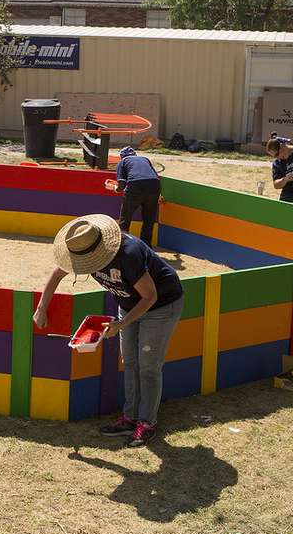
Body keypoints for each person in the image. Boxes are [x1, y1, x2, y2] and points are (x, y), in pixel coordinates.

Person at [34, 214, 184, 448]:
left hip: (160, 305)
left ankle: (147, 423)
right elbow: (57, 274)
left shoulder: (129, 253)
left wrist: (120, 325)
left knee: (148, 366)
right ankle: (130, 417)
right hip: (128, 306)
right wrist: (42, 308)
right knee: (130, 362)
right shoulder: (81, 249)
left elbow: (149, 296)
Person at [112, 146, 160, 246]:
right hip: (154, 186)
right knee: (149, 220)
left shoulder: (123, 162)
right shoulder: (145, 159)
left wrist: (114, 188)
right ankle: (146, 247)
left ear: (122, 156)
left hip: (135, 186)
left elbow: (121, 186)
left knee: (125, 218)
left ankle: (123, 246)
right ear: (135, 154)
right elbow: (155, 177)